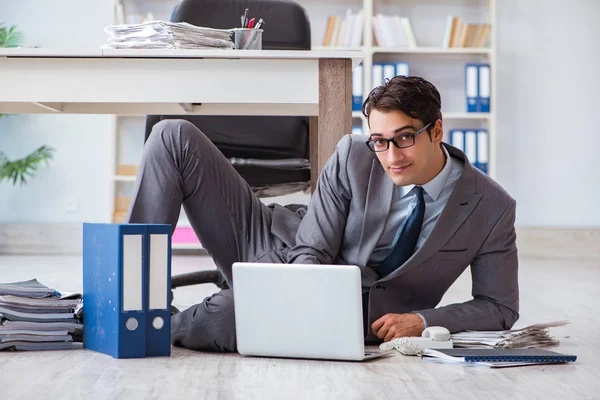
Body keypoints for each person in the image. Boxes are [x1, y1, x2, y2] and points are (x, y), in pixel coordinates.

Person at [126, 75, 519, 353]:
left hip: (357, 306)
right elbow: (310, 250)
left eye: (404, 138)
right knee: (171, 135)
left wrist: (422, 319)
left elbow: (499, 307)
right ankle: (131, 297)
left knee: (231, 315)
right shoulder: (354, 154)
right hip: (280, 244)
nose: (392, 157)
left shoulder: (492, 208)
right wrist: (285, 294)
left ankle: (144, 325)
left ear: (436, 132)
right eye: (380, 141)